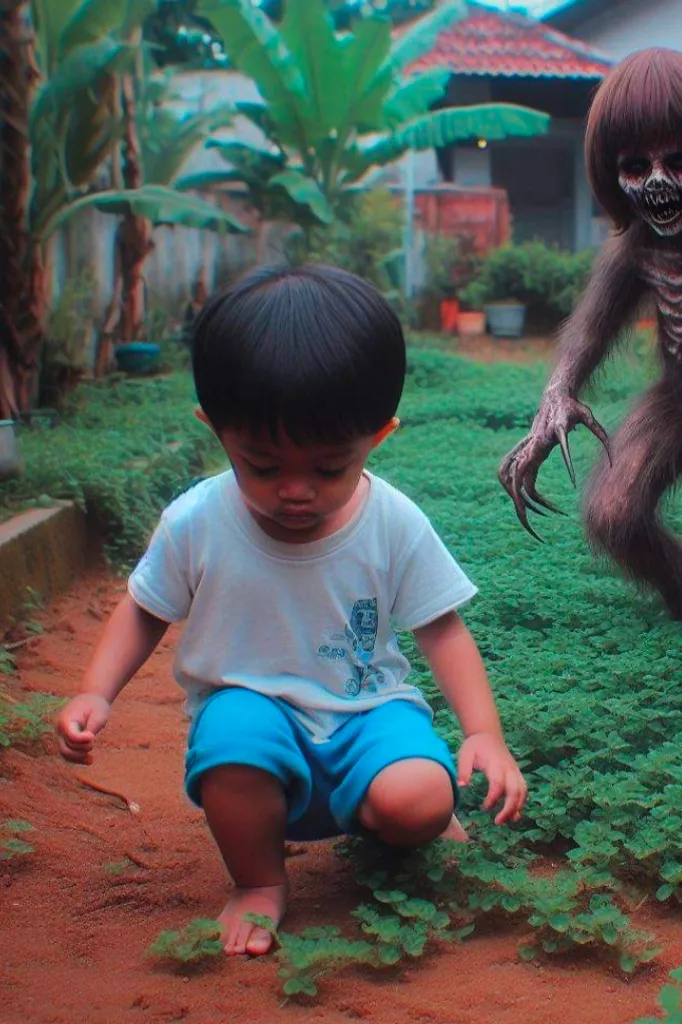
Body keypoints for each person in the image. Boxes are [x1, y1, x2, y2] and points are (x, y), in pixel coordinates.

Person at [55, 263, 527, 957]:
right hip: (255, 720)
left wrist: (483, 732)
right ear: (215, 431)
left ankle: (386, 823)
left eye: (329, 467)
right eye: (264, 466)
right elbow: (145, 608)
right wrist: (98, 690)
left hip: (369, 713)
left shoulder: (392, 521)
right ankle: (258, 882)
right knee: (230, 743)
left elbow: (440, 626)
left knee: (421, 800)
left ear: (380, 435)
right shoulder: (196, 522)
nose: (296, 491)